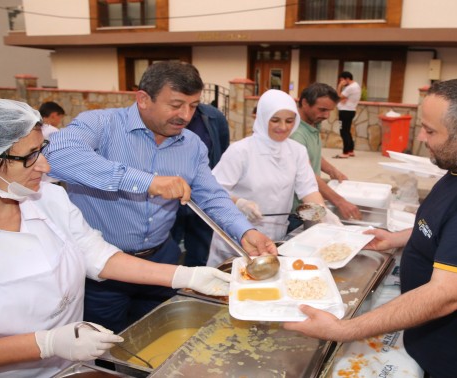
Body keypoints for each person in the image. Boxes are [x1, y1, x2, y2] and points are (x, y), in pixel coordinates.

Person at [284, 78, 457, 377]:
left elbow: (446, 295)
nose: (423, 138)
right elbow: (448, 224)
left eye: (430, 130)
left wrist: (343, 329)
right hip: (443, 341)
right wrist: (396, 238)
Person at [0, 97, 231, 377]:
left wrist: (186, 276)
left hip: (71, 368)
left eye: (42, 151)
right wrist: (46, 343)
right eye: (29, 157)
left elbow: (98, 256)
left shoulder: (48, 198)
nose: (45, 166)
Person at [44, 61, 276, 333]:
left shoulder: (191, 145)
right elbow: (56, 156)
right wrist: (147, 182)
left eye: (193, 106)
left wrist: (244, 231)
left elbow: (212, 196)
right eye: (176, 104)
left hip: (161, 258)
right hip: (100, 268)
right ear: (143, 99)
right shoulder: (101, 124)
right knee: (104, 344)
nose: (186, 115)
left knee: (160, 335)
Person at [206, 89, 341, 267]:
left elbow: (308, 189)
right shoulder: (241, 151)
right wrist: (240, 203)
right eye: (275, 120)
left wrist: (321, 211)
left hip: (275, 238)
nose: (283, 127)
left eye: (289, 121)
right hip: (236, 239)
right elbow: (211, 190)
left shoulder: (297, 151)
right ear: (262, 118)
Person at [289, 83, 362, 230]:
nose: (326, 115)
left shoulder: (313, 122)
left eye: (329, 111)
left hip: (310, 202)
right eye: (322, 110)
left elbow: (313, 155)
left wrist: (333, 172)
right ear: (304, 103)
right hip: (296, 210)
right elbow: (307, 173)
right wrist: (340, 202)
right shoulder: (296, 134)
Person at [171, 103, 230, 267]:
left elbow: (222, 151)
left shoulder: (213, 117)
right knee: (167, 252)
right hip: (167, 200)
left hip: (201, 199)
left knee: (200, 254)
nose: (186, 114)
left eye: (193, 105)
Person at [334, 71, 361, 158]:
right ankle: (350, 150)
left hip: (345, 111)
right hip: (351, 110)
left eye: (342, 80)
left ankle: (345, 152)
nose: (341, 82)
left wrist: (339, 86)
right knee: (347, 131)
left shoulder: (350, 88)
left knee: (343, 132)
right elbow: (343, 98)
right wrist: (342, 98)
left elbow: (338, 97)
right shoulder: (356, 85)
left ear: (347, 79)